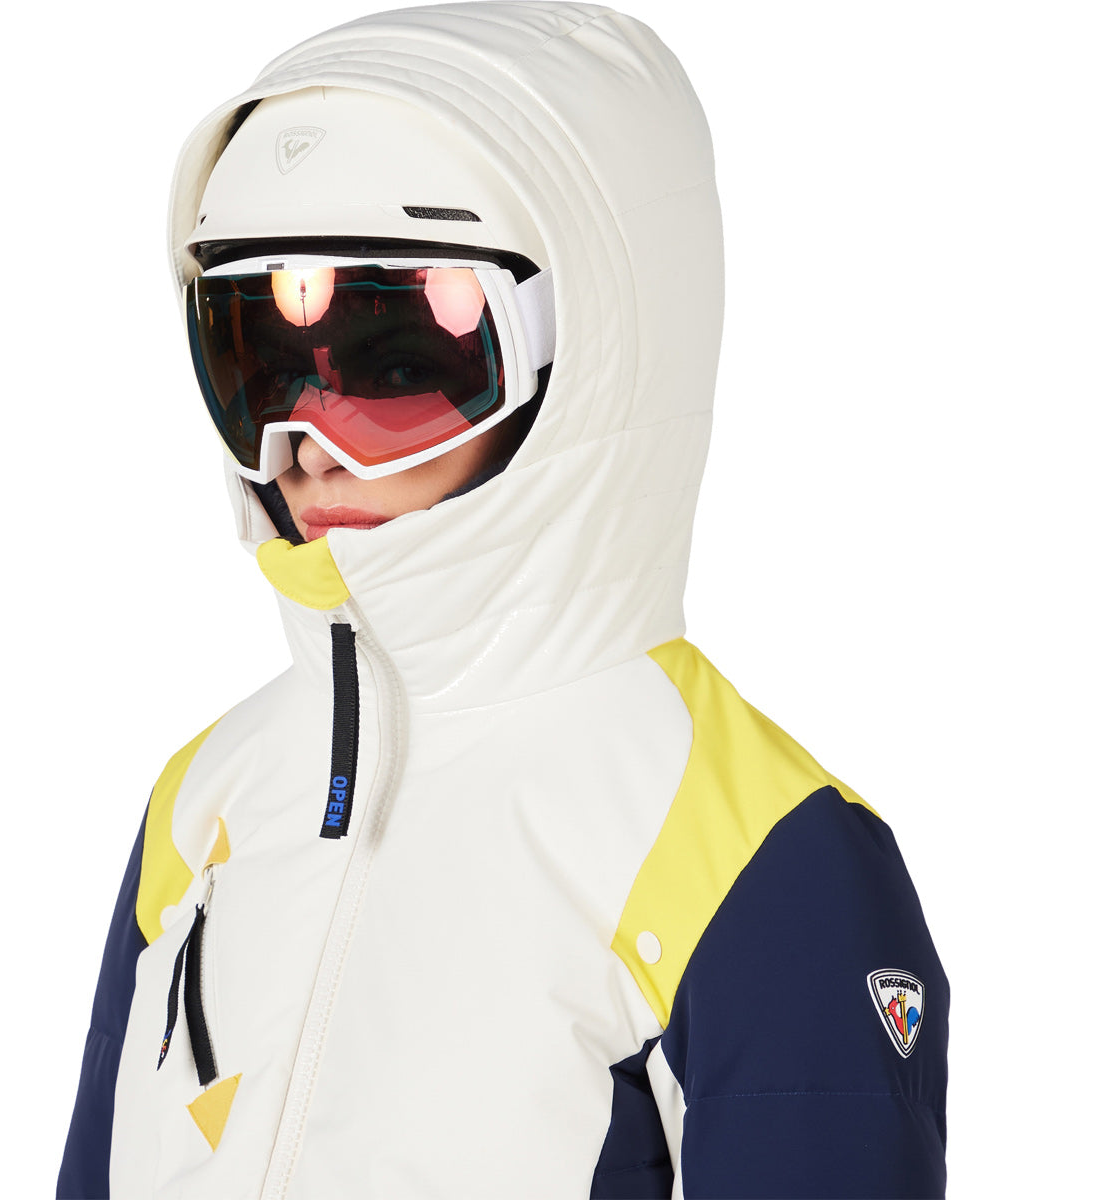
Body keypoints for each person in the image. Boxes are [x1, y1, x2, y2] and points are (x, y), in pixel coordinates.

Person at [58, 4, 949, 1197]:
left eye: (400, 369)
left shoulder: (760, 855)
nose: (304, 444)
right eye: (257, 364)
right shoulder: (203, 797)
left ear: (592, 355)